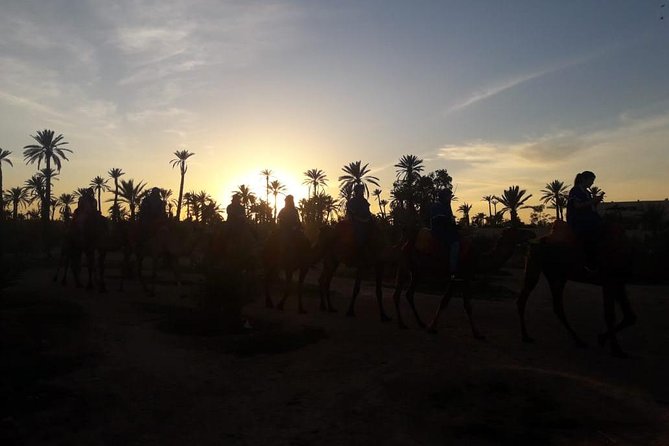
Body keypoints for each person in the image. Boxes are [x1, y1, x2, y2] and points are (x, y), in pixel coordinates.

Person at [566, 170, 604, 269]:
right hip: (579, 220)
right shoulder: (575, 190)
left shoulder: (586, 192)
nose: (592, 183)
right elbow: (577, 206)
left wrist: (596, 201)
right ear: (584, 179)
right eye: (591, 180)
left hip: (589, 218)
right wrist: (593, 201)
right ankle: (588, 262)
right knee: (590, 235)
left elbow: (589, 206)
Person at [430, 188, 460, 276]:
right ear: (443, 197)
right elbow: (439, 219)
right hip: (439, 231)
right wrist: (449, 222)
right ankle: (452, 271)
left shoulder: (447, 206)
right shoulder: (437, 206)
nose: (450, 198)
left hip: (447, 231)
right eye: (448, 196)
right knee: (455, 244)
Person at [345, 184, 373, 249]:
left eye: (362, 190)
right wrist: (361, 219)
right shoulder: (352, 201)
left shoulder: (364, 201)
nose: (362, 191)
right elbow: (352, 213)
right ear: (357, 191)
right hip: (356, 222)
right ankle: (360, 248)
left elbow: (368, 211)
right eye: (361, 190)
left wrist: (368, 218)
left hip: (367, 221)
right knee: (360, 232)